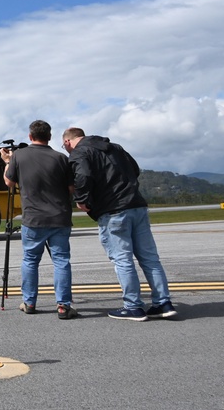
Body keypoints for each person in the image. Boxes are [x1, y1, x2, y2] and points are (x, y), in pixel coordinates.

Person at [62, 127, 176, 321]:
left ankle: (133, 306)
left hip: (113, 210)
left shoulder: (80, 152)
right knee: (150, 258)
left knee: (122, 259)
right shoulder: (115, 147)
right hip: (136, 205)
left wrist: (81, 199)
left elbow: (83, 175)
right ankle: (162, 302)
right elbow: (135, 169)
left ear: (68, 142)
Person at [2, 120, 77, 319]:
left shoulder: (19, 156)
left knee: (30, 260)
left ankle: (29, 302)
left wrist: (8, 162)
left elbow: (9, 182)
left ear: (30, 136)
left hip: (33, 219)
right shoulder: (61, 158)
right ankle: (63, 305)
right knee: (61, 261)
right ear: (49, 137)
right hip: (59, 217)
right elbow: (71, 189)